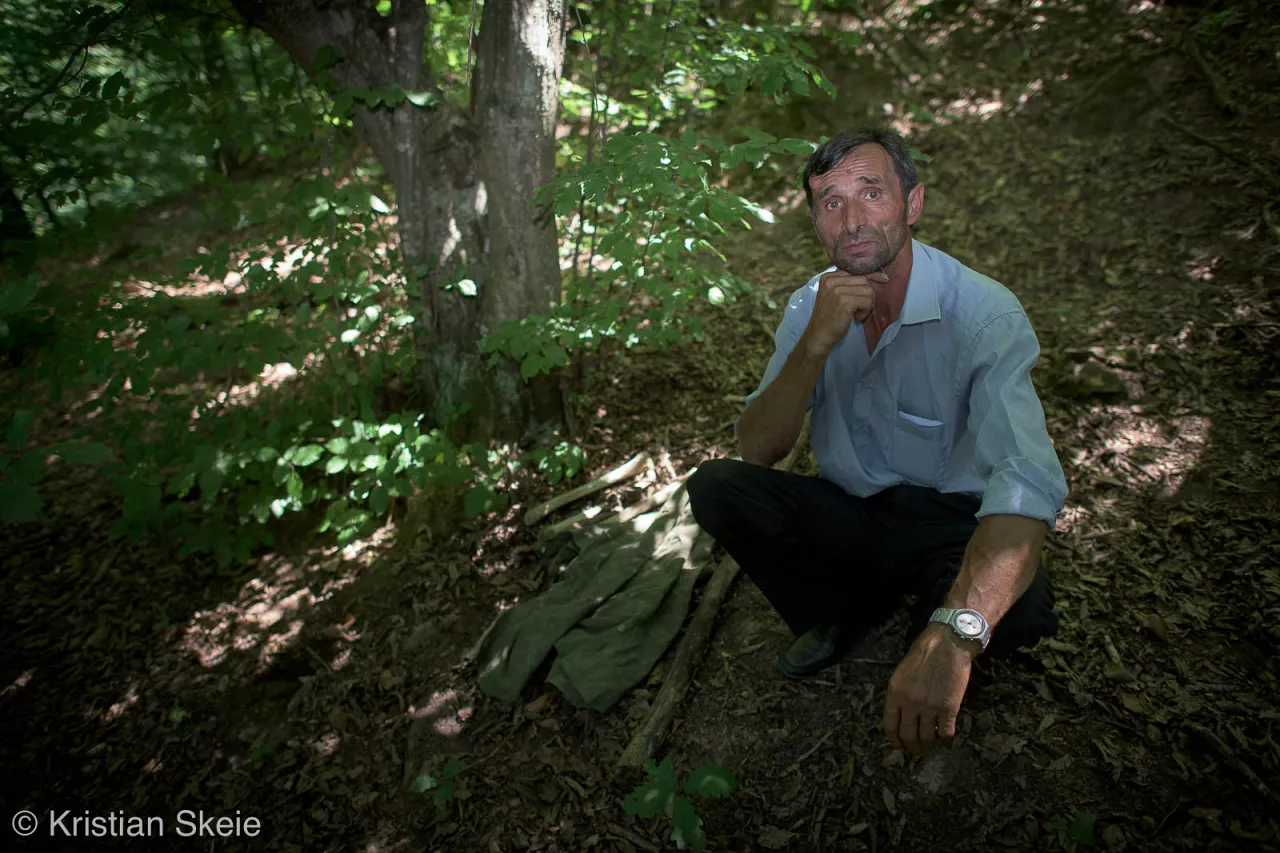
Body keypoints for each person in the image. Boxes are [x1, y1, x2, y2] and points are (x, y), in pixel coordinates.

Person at [687, 126, 1068, 757]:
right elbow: (757, 448)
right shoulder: (809, 305)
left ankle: (932, 625)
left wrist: (954, 637)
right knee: (717, 488)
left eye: (872, 192)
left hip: (951, 522)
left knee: (1019, 613)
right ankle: (842, 609)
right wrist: (815, 343)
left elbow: (1026, 484)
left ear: (912, 204)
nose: (853, 220)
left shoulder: (984, 314)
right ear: (816, 221)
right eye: (831, 202)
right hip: (854, 510)